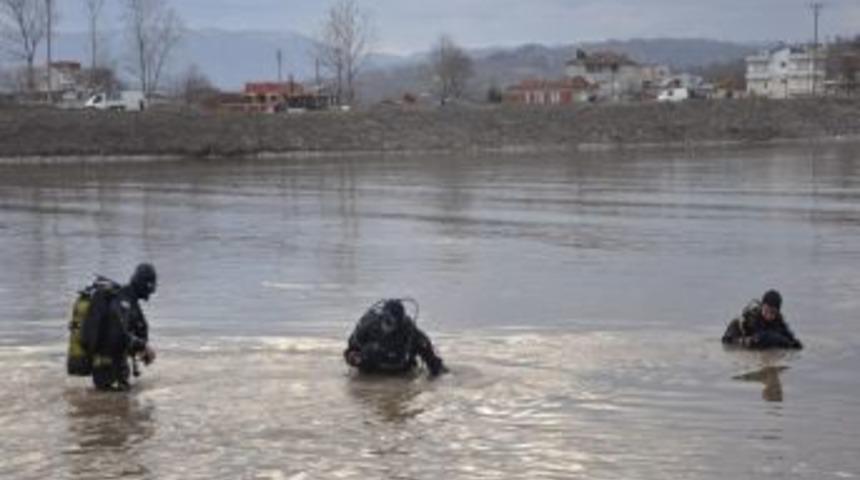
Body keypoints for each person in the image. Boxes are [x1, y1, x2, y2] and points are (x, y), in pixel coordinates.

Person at [82, 263, 158, 391]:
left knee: (119, 406)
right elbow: (117, 335)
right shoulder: (123, 301)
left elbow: (138, 330)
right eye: (150, 286)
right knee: (114, 407)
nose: (150, 292)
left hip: (113, 368)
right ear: (144, 284)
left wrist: (141, 347)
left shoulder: (128, 299)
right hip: (108, 370)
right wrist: (143, 346)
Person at [344, 299, 448, 377]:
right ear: (381, 317)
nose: (386, 325)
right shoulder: (368, 327)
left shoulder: (412, 335)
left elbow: (434, 364)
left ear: (400, 323)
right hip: (369, 375)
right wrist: (354, 358)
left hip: (401, 376)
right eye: (385, 320)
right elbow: (350, 351)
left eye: (390, 322)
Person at [722, 290, 803, 350]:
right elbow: (764, 338)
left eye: (772, 312)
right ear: (762, 307)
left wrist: (792, 343)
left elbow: (792, 341)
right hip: (733, 338)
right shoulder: (751, 318)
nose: (768, 315)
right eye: (766, 310)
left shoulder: (779, 321)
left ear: (777, 312)